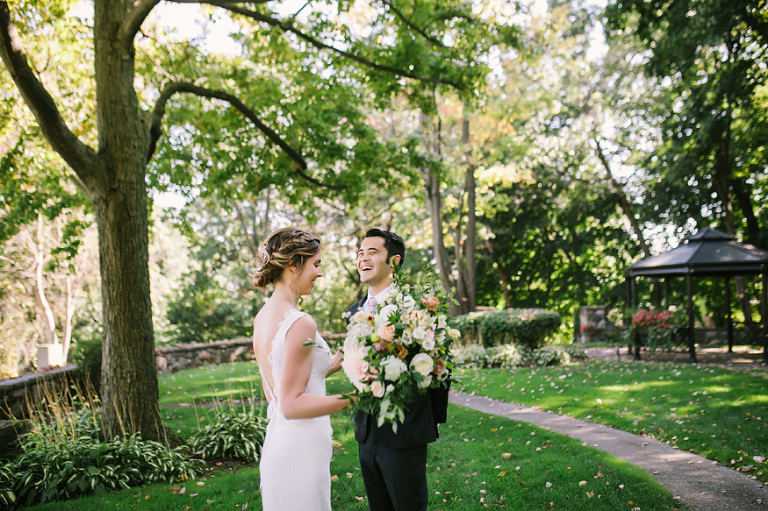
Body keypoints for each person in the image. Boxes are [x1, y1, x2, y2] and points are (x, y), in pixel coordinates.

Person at [347, 228, 449, 511]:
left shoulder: (415, 307)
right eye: (360, 253)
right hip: (366, 432)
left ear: (393, 262)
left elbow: (439, 367)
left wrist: (430, 422)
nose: (363, 258)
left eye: (372, 252)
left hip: (405, 433)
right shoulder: (353, 311)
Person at [252, 227, 350, 511]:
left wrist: (338, 362)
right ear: (294, 264)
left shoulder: (262, 318)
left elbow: (278, 389)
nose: (320, 273)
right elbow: (292, 405)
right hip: (301, 447)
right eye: (316, 264)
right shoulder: (300, 322)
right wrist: (359, 400)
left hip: (280, 442)